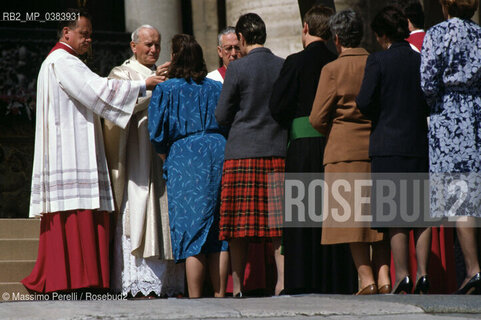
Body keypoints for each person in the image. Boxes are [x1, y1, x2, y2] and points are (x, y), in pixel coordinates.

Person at [22, 9, 163, 293]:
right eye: (83, 34)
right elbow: (98, 89)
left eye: (90, 35)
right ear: (66, 32)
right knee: (77, 211)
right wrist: (143, 84)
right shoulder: (64, 62)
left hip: (68, 148)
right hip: (72, 151)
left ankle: (75, 279)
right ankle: (77, 280)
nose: (88, 40)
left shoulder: (58, 61)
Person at [269, 5, 357, 294]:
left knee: (302, 213)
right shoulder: (335, 60)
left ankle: (302, 280)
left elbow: (277, 107)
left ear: (305, 28)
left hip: (302, 145)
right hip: (333, 142)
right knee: (332, 213)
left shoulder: (294, 62)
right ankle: (335, 279)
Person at [309, 9, 391, 295]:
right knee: (378, 217)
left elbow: (317, 118)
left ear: (336, 37)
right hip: (376, 146)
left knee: (352, 220)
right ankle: (384, 277)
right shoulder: (375, 61)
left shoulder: (332, 70)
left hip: (342, 150)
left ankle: (366, 278)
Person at [104, 25, 184, 298]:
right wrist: (150, 87)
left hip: (163, 158)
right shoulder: (122, 73)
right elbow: (113, 108)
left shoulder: (163, 73)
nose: (153, 50)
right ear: (133, 46)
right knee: (139, 209)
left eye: (157, 45)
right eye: (148, 44)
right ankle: (138, 280)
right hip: (137, 157)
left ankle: (166, 282)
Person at [356, 6, 431, 294]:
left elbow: (364, 101)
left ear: (382, 34)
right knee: (421, 214)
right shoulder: (419, 59)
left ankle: (403, 276)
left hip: (387, 144)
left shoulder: (378, 61)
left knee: (396, 214)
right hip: (417, 143)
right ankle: (423, 273)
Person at [149, 34, 229, 298]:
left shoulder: (166, 89)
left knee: (191, 228)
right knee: (218, 228)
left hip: (186, 155)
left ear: (176, 57)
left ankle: (195, 297)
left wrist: (165, 157)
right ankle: (220, 294)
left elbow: (157, 132)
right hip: (218, 150)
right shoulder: (215, 87)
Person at [216, 13, 286, 297]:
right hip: (276, 150)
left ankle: (237, 286)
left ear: (242, 39)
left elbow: (221, 115)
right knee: (279, 223)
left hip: (242, 153)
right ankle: (282, 282)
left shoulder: (237, 69)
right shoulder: (283, 66)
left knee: (237, 225)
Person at [421, 0, 481, 294]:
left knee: (460, 196)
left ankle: (472, 269)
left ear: (447, 6)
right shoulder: (480, 35)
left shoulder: (436, 33)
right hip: (476, 114)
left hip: (449, 116)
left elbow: (428, 82)